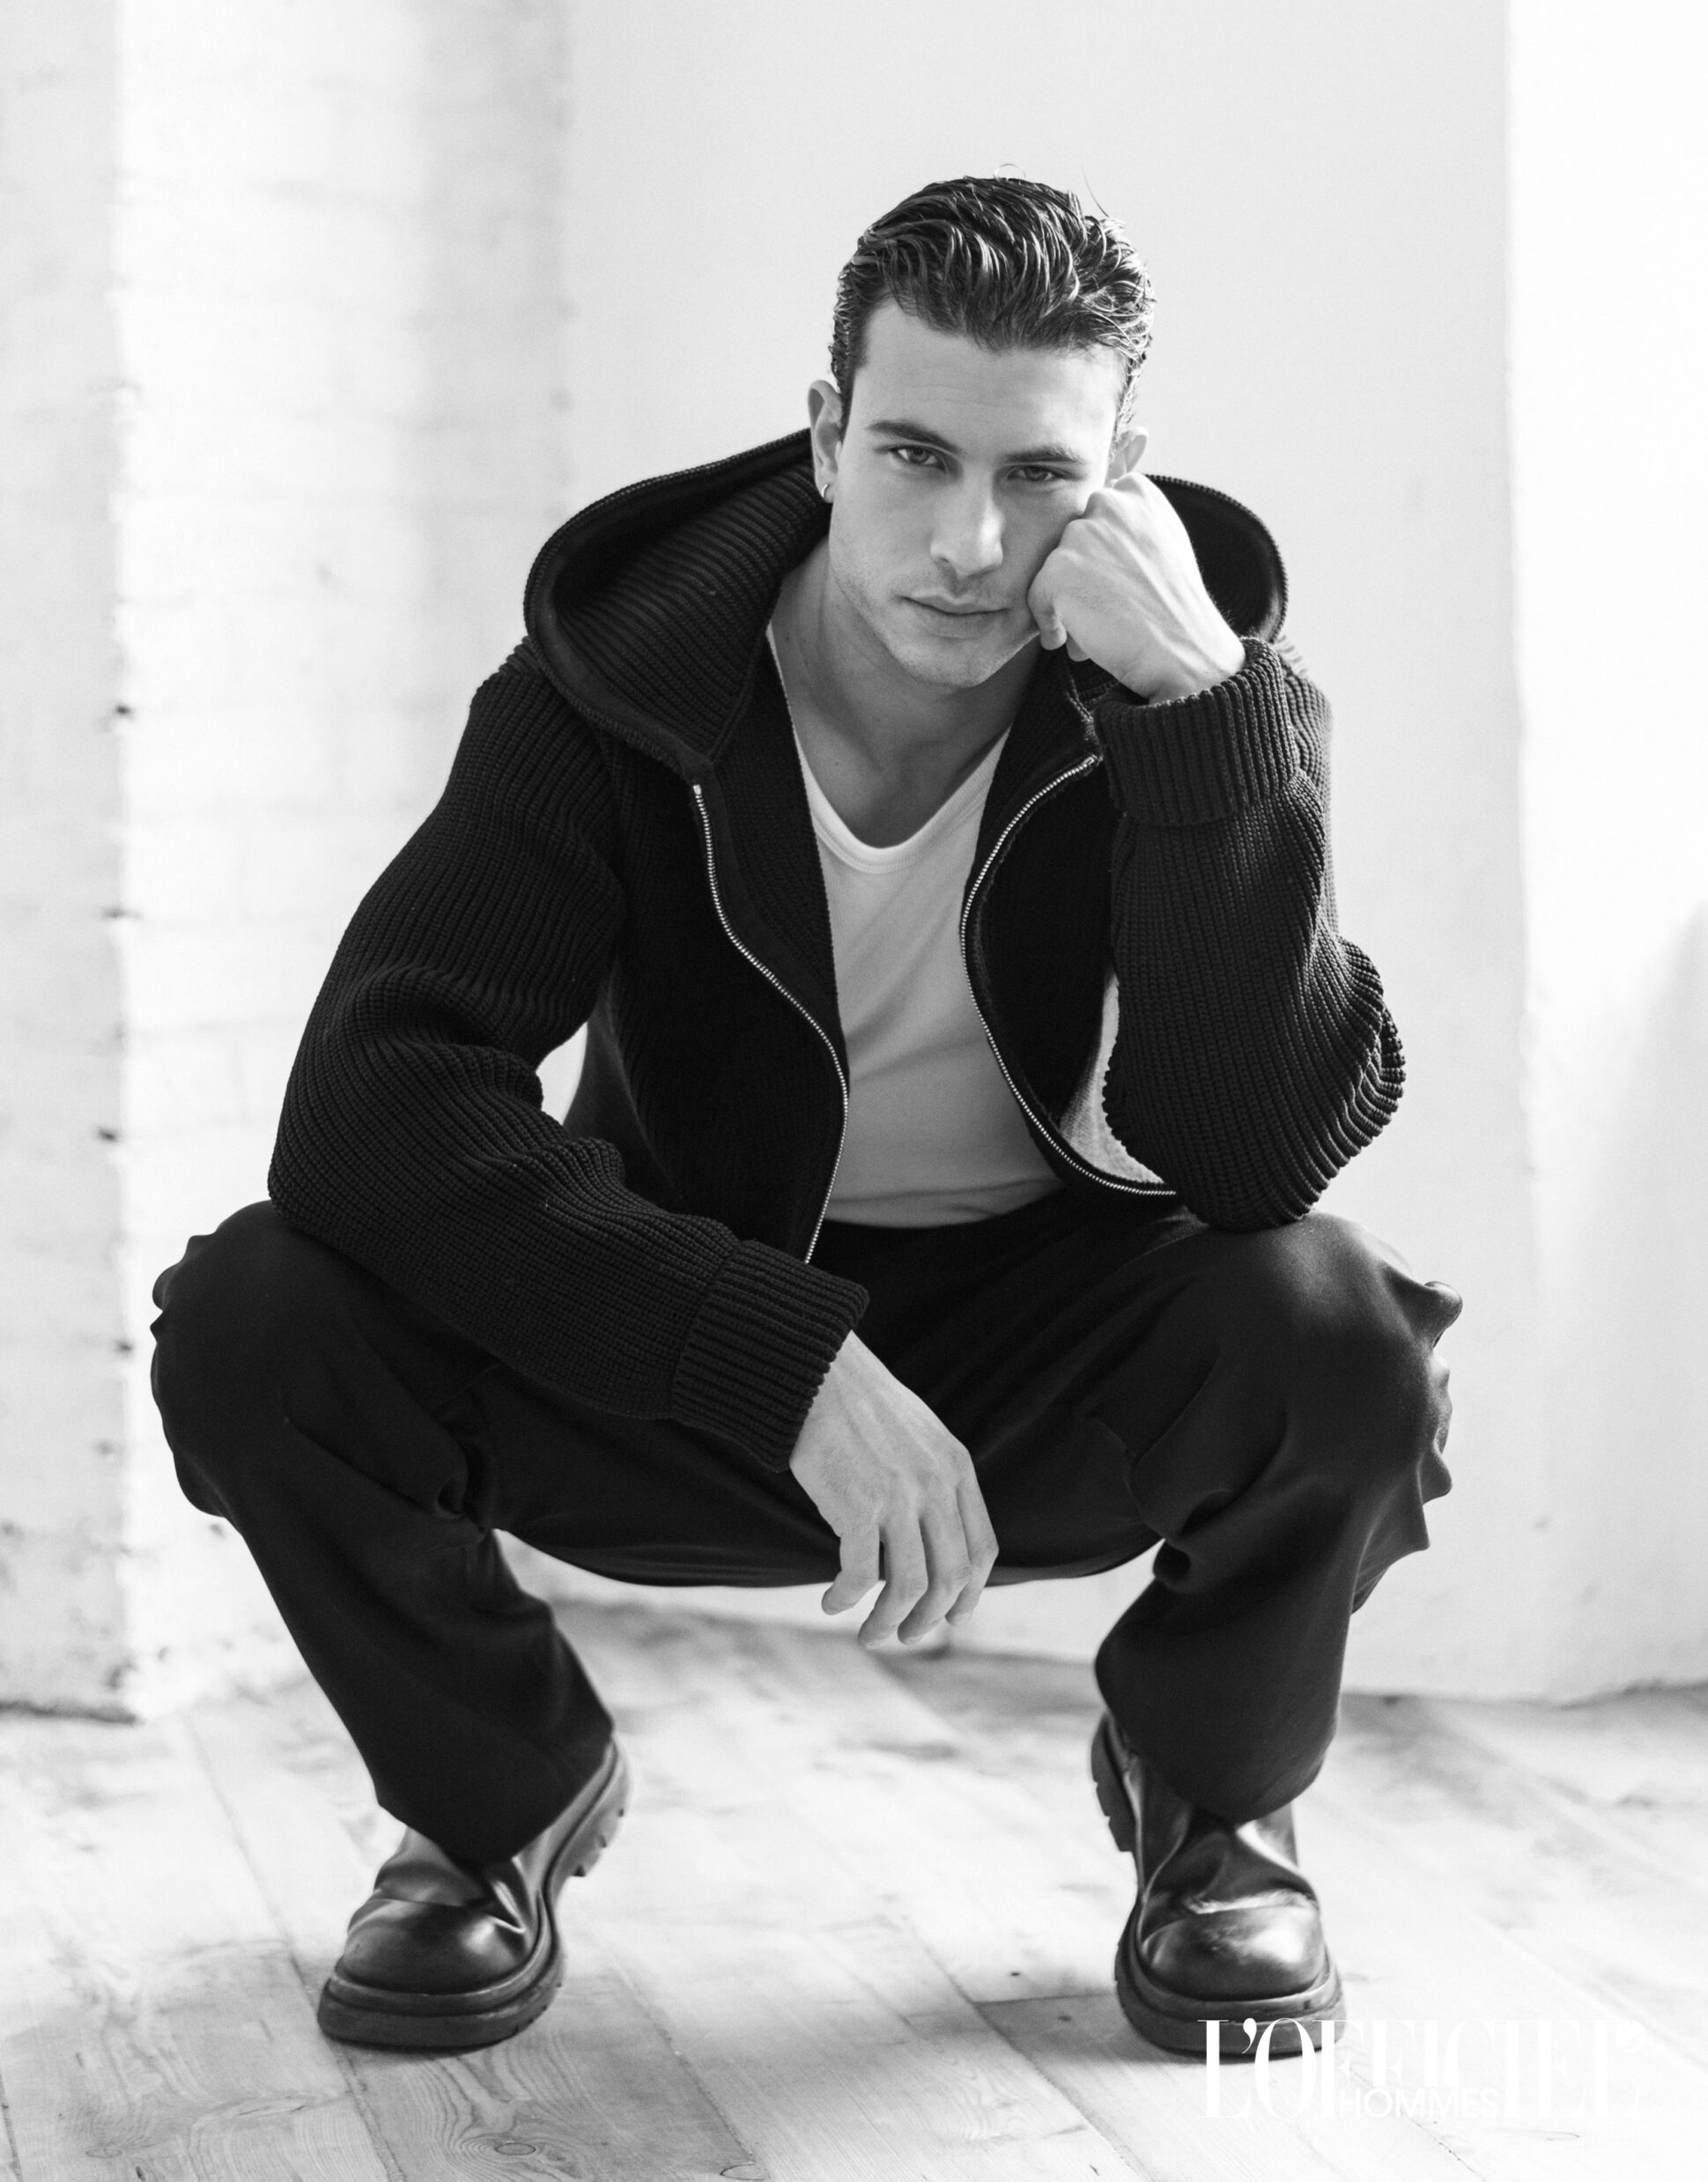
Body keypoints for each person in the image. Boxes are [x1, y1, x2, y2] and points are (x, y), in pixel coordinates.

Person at [150, 174, 1461, 2063]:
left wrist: (1198, 712)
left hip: (1036, 1364)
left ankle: (1216, 1808)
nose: (970, 542)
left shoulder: (1203, 702)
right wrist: (782, 1357)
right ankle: (490, 1797)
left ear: (1122, 476)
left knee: (1338, 1325)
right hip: (691, 1351)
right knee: (257, 1312)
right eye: (916, 455)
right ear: (829, 431)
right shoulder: (619, 685)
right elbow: (373, 1104)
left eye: (1036, 474)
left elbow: (1255, 1156)